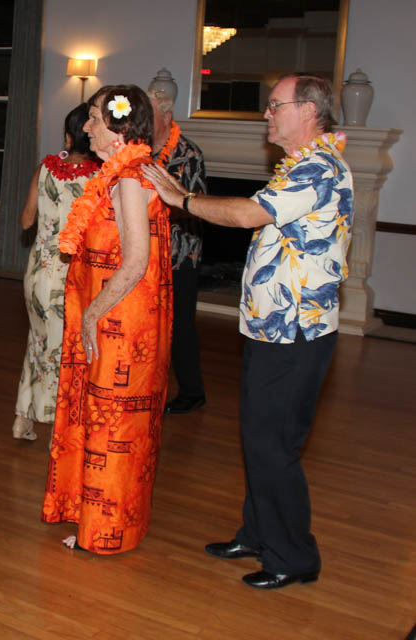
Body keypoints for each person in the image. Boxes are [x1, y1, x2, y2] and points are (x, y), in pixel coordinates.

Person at [142, 73, 352, 589]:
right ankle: (259, 534)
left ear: (308, 111)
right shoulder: (301, 165)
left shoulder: (318, 167)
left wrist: (180, 199)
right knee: (261, 439)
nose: (266, 113)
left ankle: (294, 557)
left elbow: (246, 214)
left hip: (297, 333)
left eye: (275, 105)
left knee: (273, 443)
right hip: (275, 329)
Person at [41, 85, 172, 555]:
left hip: (119, 320)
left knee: (113, 422)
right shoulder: (121, 174)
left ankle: (106, 532)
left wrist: (93, 313)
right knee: (106, 420)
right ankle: (99, 518)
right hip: (114, 315)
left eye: (95, 117)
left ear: (117, 126)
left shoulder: (130, 180)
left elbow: (136, 261)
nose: (86, 126)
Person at [12, 104, 100, 441]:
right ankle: (59, 428)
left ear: (67, 136)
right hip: (73, 274)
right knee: (68, 351)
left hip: (38, 270)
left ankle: (23, 418)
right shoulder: (97, 178)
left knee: (37, 343)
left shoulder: (44, 169)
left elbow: (25, 221)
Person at [147, 84, 208, 414]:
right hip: (145, 252)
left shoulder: (188, 153)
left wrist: (156, 203)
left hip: (179, 253)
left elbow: (192, 206)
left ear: (167, 116)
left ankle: (192, 392)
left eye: (150, 115)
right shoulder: (139, 151)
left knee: (180, 326)